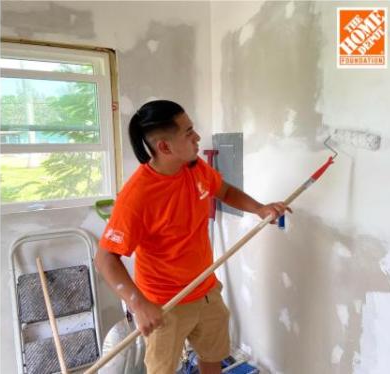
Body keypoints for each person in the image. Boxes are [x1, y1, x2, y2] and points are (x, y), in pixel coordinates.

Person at [96, 100, 290, 373]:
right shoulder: (137, 197)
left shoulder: (195, 168)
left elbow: (224, 190)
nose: (197, 137)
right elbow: (105, 258)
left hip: (206, 290)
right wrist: (138, 304)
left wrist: (259, 208)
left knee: (213, 358)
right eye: (188, 132)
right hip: (165, 305)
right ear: (165, 147)